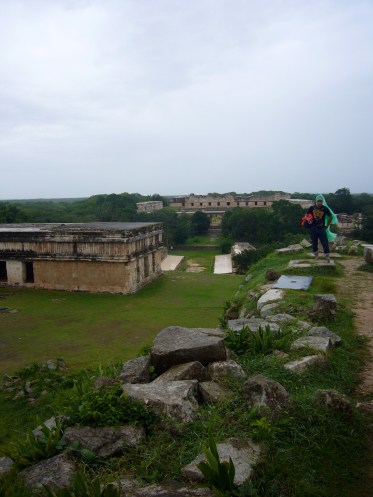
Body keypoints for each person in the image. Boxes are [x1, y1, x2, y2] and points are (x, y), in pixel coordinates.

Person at [306, 194, 338, 260]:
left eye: (321, 201)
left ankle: (327, 256)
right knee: (314, 243)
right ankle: (316, 256)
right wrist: (308, 219)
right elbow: (306, 215)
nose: (319, 202)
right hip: (313, 228)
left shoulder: (325, 208)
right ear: (316, 201)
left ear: (322, 201)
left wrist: (327, 225)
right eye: (318, 201)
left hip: (322, 228)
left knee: (325, 242)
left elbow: (330, 216)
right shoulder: (312, 208)